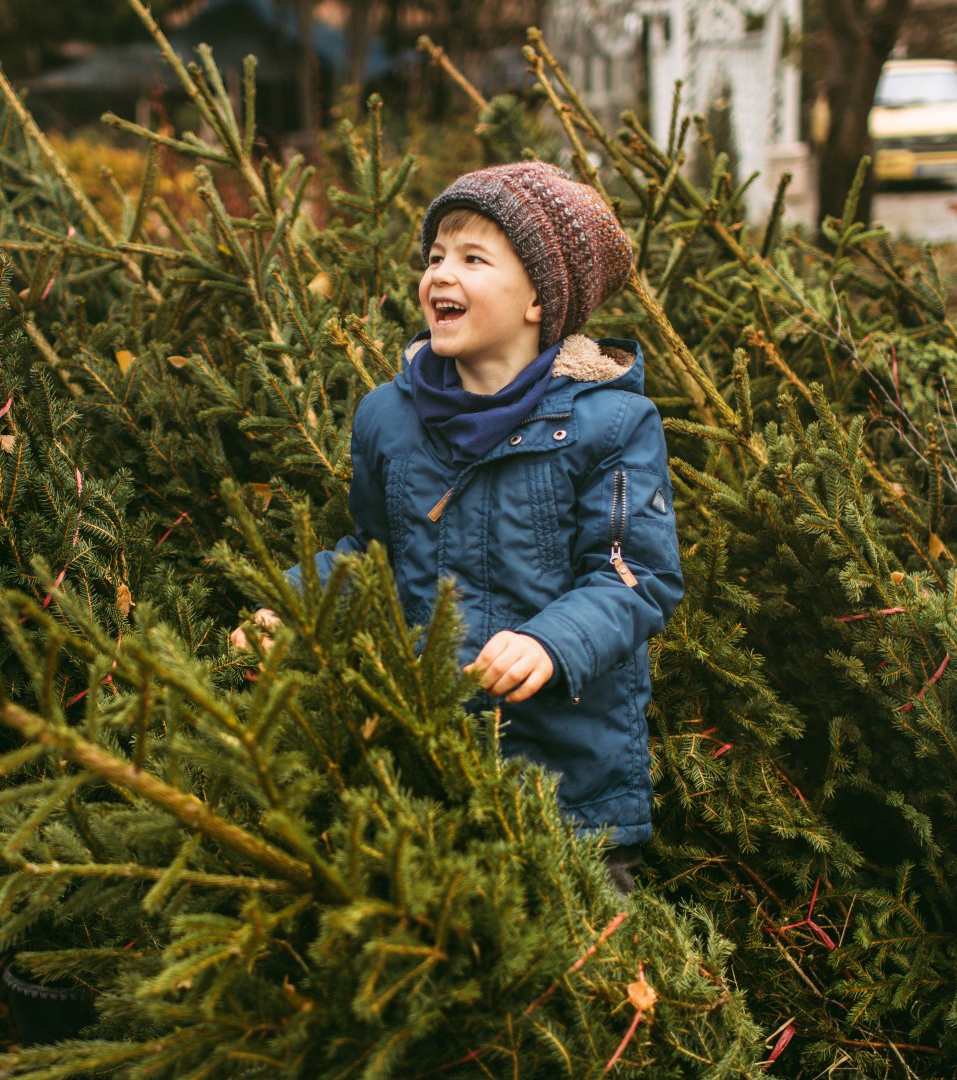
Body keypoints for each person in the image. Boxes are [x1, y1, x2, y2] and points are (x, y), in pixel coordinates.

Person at [235, 163, 684, 894]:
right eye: (436, 256)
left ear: (541, 297)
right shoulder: (390, 417)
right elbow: (373, 557)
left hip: (567, 787)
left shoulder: (612, 423)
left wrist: (551, 639)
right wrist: (294, 607)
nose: (442, 274)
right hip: (429, 772)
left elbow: (634, 574)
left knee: (583, 970)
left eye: (474, 259)